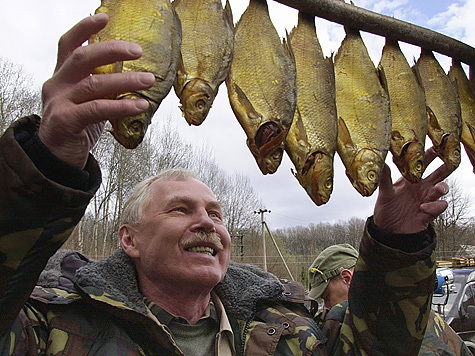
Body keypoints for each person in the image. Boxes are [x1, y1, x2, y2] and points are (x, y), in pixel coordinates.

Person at [0, 13, 453, 356]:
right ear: (128, 239)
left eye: (215, 213)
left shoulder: (292, 327)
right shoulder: (52, 324)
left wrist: (397, 242)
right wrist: (44, 164)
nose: (207, 223)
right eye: (181, 209)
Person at [307, 244, 473, 356]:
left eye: (327, 298)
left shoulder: (382, 322)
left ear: (347, 279)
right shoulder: (410, 310)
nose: (327, 307)